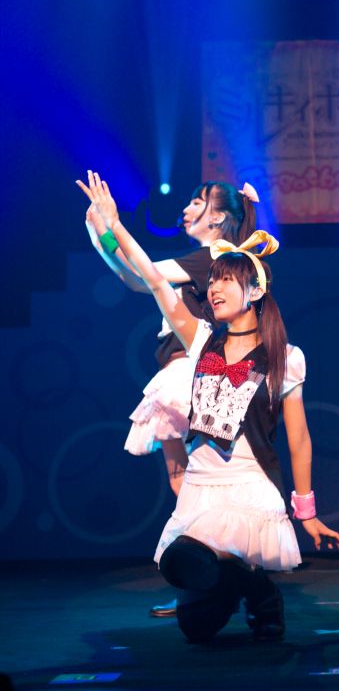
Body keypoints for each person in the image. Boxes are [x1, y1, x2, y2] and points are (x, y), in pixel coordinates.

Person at [79, 170, 339, 643]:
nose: (214, 288)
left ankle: (260, 594)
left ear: (255, 292)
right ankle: (248, 587)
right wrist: (113, 226)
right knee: (194, 621)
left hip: (249, 483)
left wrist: (306, 510)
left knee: (205, 598)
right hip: (201, 486)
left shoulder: (284, 357)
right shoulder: (201, 342)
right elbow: (154, 282)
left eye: (226, 281)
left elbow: (300, 438)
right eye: (214, 280)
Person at [85, 180, 259, 499]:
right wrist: (100, 236)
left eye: (197, 202)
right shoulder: (204, 260)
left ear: (218, 217)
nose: (186, 208)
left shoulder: (213, 258)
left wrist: (110, 228)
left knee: (197, 478)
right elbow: (138, 280)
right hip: (183, 370)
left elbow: (145, 275)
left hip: (195, 370)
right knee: (183, 481)